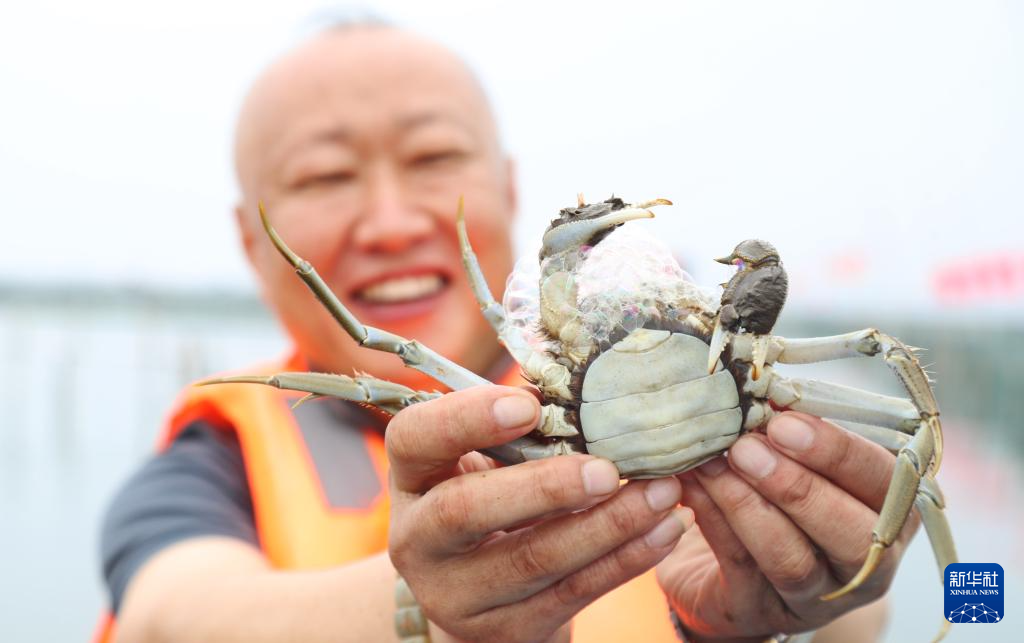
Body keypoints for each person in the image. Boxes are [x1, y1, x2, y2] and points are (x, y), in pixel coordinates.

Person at [98, 22, 910, 643]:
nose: (389, 221)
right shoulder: (209, 466)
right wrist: (430, 613)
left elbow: (855, 608)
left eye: (433, 156)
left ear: (509, 186)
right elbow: (170, 616)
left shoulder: (737, 370)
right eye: (325, 176)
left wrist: (828, 595)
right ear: (251, 238)